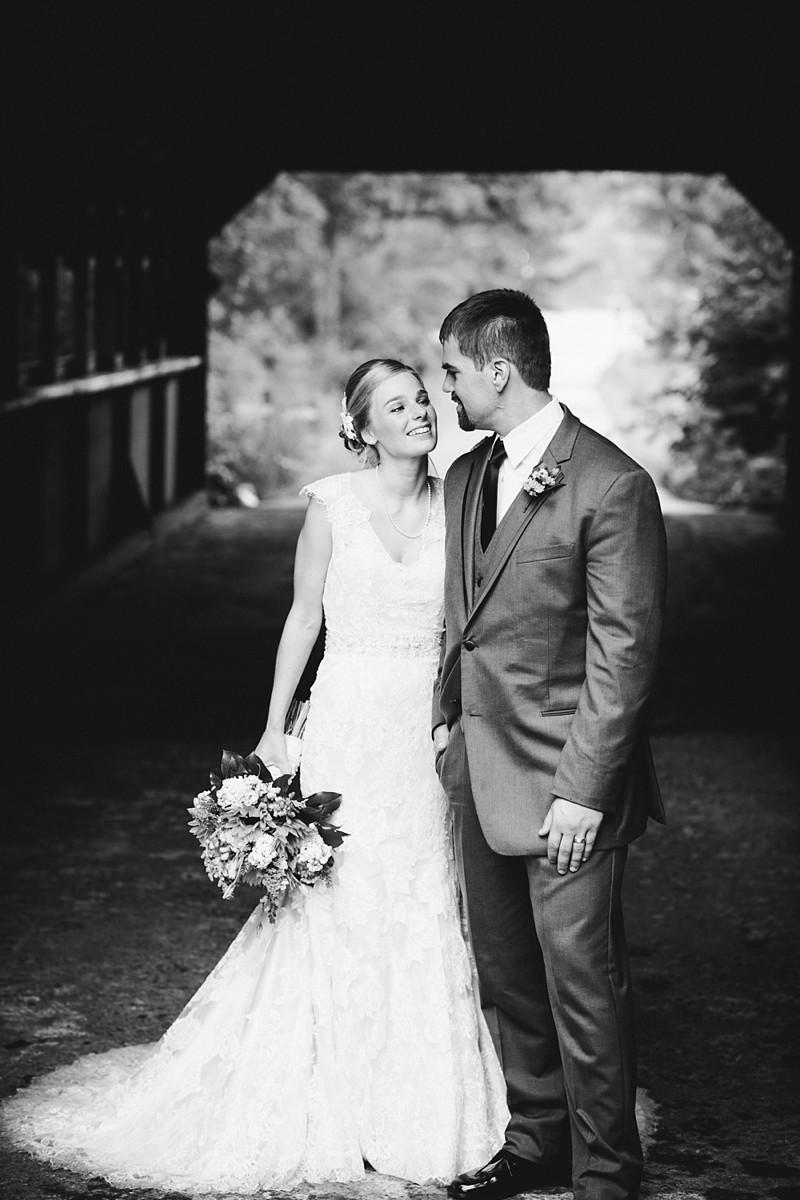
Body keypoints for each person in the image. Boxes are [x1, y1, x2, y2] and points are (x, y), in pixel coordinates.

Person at [1, 358, 507, 1193]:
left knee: (417, 899)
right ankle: (324, 1093)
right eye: (397, 405)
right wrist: (277, 727)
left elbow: (476, 622)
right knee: (335, 898)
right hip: (343, 722)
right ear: (363, 427)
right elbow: (302, 617)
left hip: (420, 734)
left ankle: (416, 1106)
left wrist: (458, 712)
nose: (419, 412)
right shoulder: (332, 505)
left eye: (423, 397)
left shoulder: (460, 500)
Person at [433, 291, 667, 1200]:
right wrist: (446, 723)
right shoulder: (463, 477)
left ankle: (608, 1172)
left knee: (584, 983)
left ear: (497, 370)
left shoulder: (612, 484)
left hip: (571, 788)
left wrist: (584, 790)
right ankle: (537, 1141)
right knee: (508, 976)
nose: (443, 386)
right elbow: (468, 621)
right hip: (480, 774)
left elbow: (625, 657)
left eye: (451, 370)